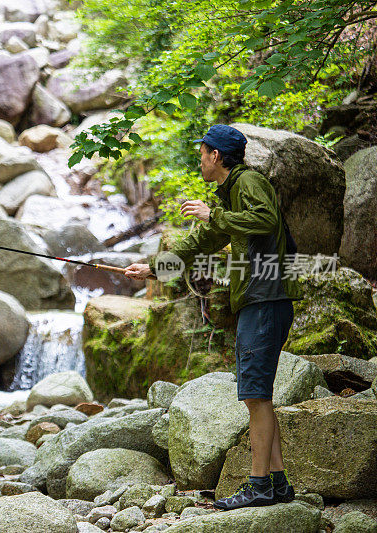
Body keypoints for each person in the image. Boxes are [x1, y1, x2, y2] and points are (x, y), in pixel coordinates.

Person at [124, 124, 302, 510]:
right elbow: (198, 243)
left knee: (254, 394)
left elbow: (266, 220)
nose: (199, 159)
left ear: (216, 156)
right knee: (259, 395)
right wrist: (155, 270)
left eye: (202, 152)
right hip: (259, 298)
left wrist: (212, 214)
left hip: (266, 296)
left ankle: (258, 486)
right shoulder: (230, 193)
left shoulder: (248, 182)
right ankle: (277, 484)